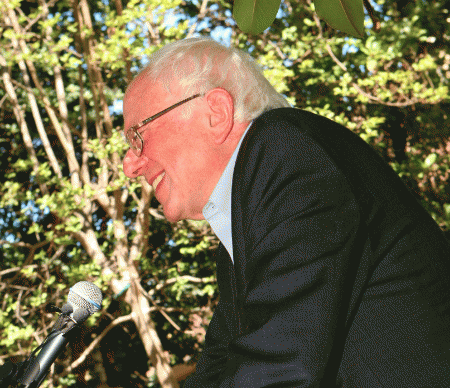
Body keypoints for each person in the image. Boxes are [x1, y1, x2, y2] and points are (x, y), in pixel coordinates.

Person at [122, 37, 450, 387]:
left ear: (215, 112)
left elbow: (279, 367)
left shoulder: (286, 151)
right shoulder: (247, 229)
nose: (130, 166)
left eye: (138, 137)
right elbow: (221, 369)